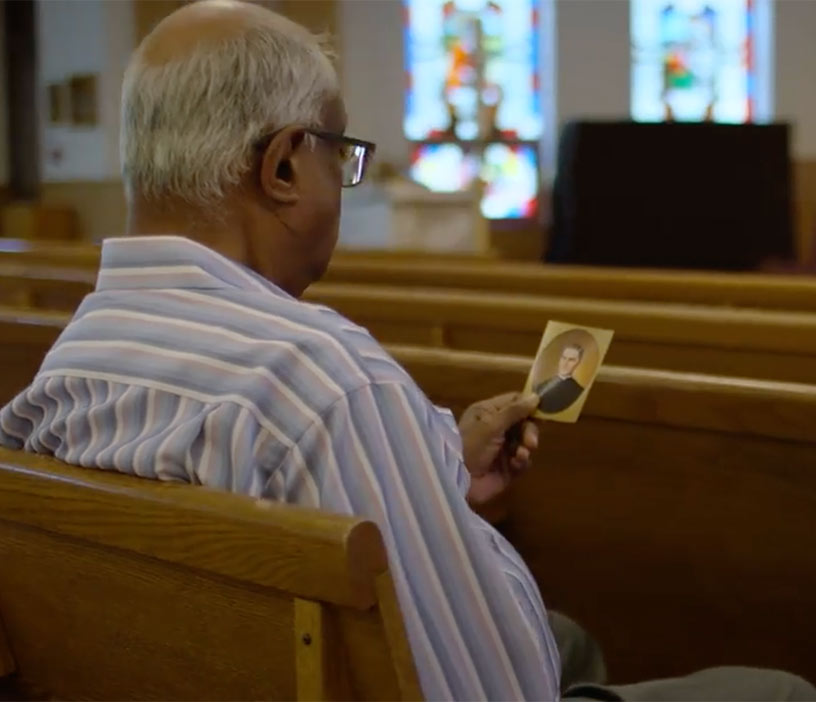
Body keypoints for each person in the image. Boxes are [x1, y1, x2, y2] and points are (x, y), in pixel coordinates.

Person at [0, 3, 813, 701]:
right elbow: (494, 684)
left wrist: (432, 472)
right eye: (338, 157)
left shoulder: (74, 357)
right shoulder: (325, 379)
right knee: (771, 690)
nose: (341, 186)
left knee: (569, 639)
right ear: (283, 165)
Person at [535, 343, 585, 413]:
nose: (565, 363)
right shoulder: (541, 386)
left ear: (578, 363)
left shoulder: (579, 392)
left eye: (571, 360)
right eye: (563, 358)